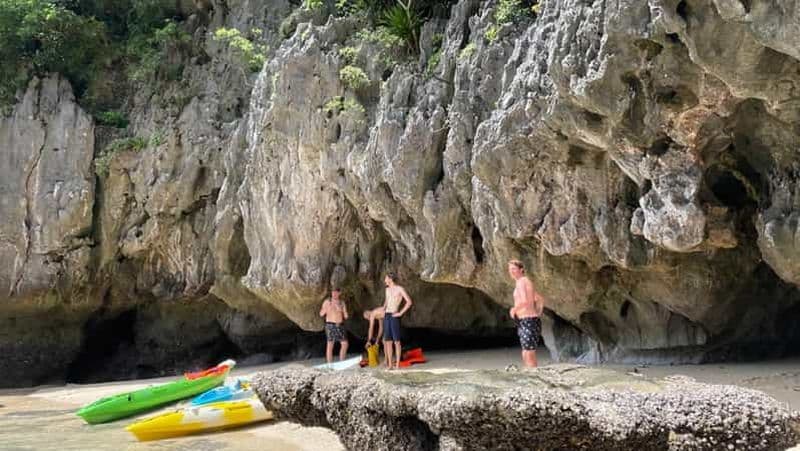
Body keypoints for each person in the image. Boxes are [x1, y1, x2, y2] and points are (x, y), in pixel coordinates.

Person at [508, 259, 545, 368]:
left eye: (514, 269)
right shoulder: (525, 282)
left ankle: (534, 376)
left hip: (528, 321)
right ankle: (529, 375)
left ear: (521, 270)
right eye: (510, 269)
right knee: (526, 352)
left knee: (529, 353)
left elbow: (524, 301)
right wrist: (538, 311)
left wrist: (514, 309)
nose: (511, 271)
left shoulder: (522, 282)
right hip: (527, 321)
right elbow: (539, 299)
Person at [382, 273, 412, 370]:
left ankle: (398, 365)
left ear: (390, 279)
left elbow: (409, 301)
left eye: (386, 278)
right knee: (388, 341)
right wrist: (383, 307)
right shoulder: (386, 290)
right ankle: (390, 365)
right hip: (387, 315)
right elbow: (386, 301)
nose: (384, 280)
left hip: (395, 315)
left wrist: (400, 313)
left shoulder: (400, 289)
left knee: (397, 342)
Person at [319, 287, 349, 363]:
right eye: (333, 292)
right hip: (330, 325)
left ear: (339, 293)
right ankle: (330, 364)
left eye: (336, 292)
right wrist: (326, 308)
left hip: (340, 325)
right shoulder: (327, 301)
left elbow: (346, 316)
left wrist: (341, 310)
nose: (334, 294)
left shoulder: (342, 303)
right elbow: (321, 314)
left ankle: (342, 362)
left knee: (345, 344)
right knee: (330, 344)